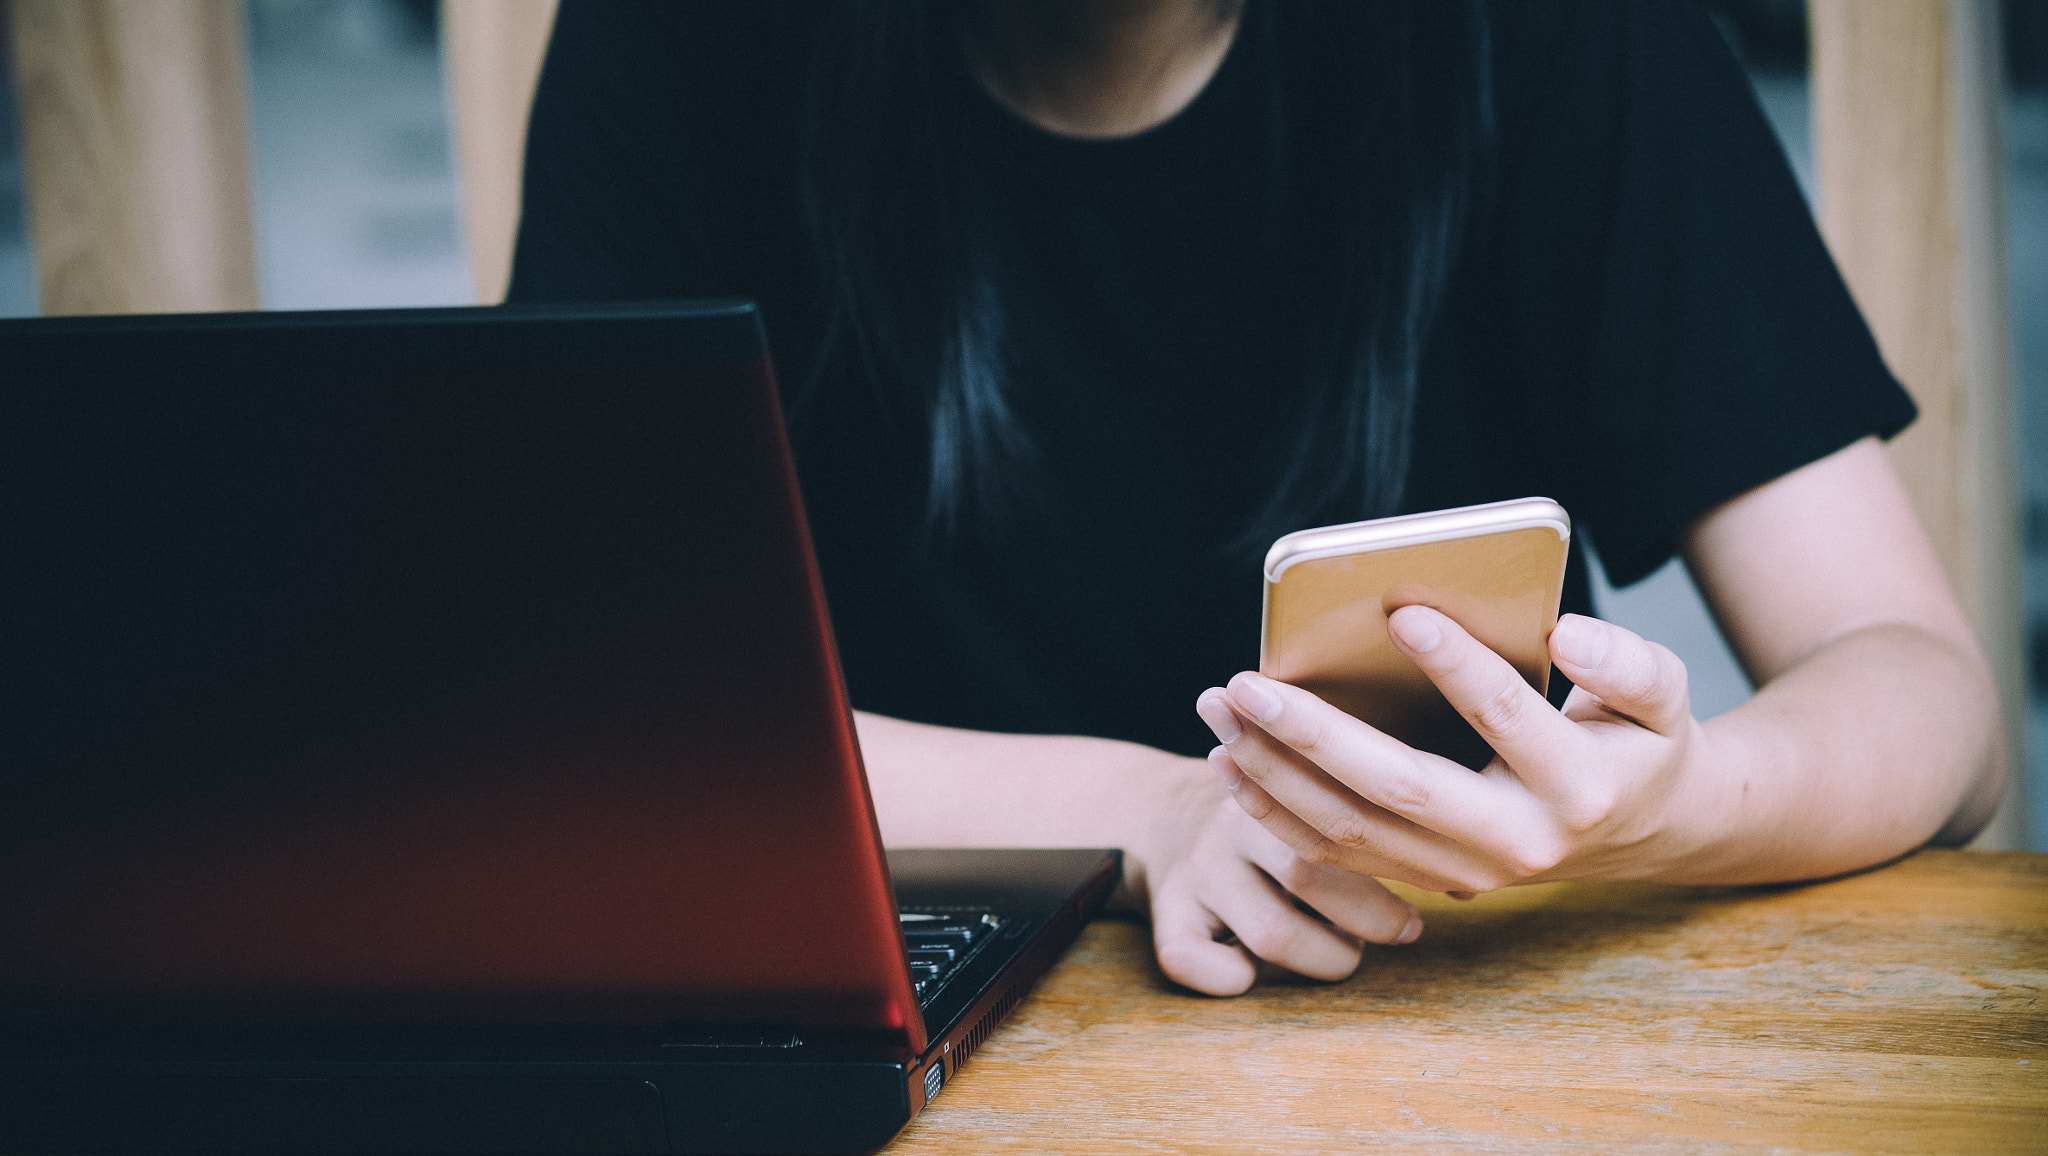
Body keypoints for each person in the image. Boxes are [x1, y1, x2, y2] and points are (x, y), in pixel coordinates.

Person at [507, 0, 2005, 996]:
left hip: (1441, 1021)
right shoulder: (681, 39)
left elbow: (1935, 711)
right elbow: (570, 724)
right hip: (896, 1015)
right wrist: (1143, 810)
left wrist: (1664, 810)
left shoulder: (1547, 34)